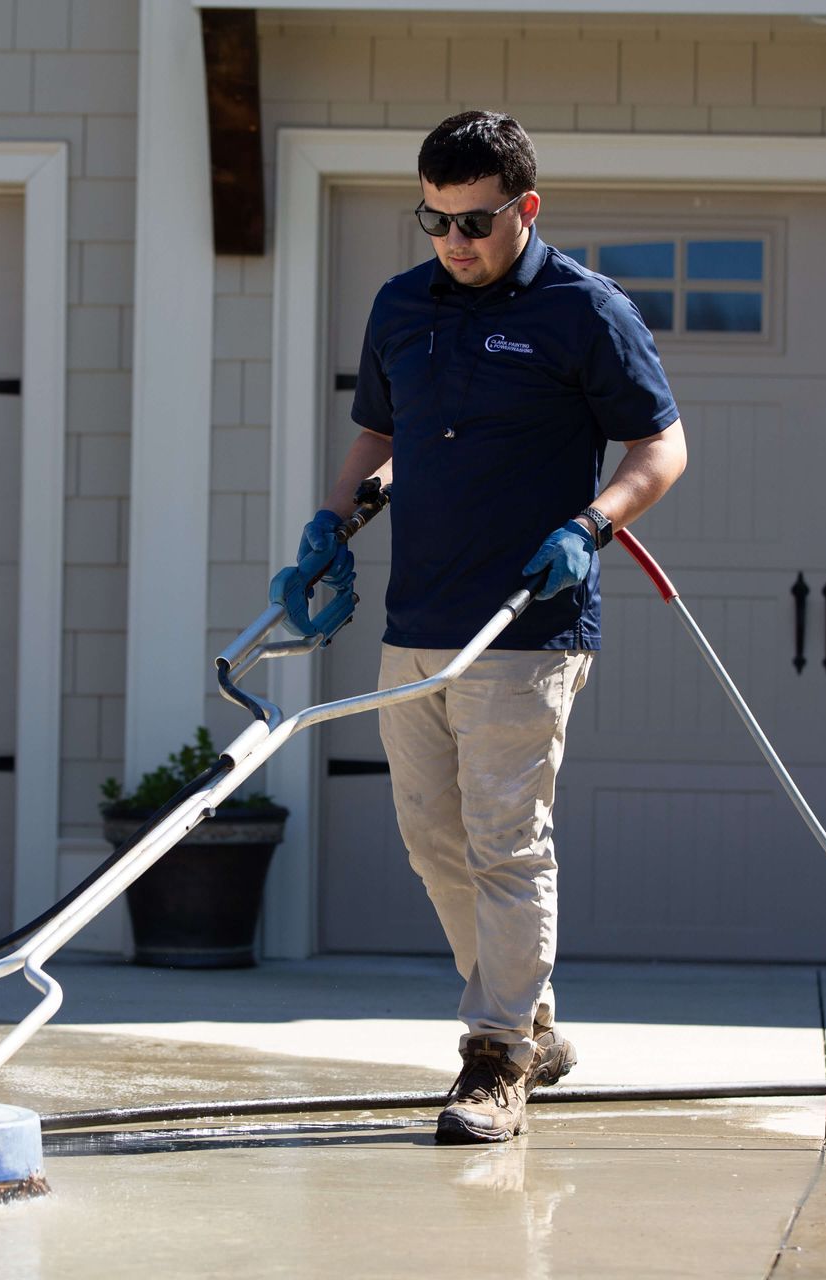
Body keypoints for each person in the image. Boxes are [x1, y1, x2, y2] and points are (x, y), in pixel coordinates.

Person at [293, 110, 688, 1145]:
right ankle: (531, 1020)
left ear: (526, 207)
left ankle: (495, 1057)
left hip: (528, 622)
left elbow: (662, 446)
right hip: (417, 614)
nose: (454, 241)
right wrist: (332, 527)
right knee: (434, 842)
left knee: (507, 841)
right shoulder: (401, 306)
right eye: (435, 219)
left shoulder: (584, 310)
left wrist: (592, 525)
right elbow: (383, 435)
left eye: (475, 221)